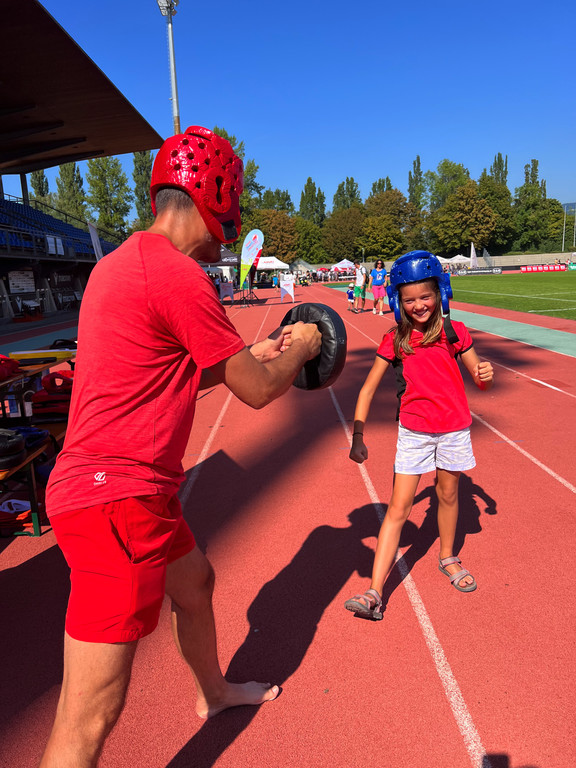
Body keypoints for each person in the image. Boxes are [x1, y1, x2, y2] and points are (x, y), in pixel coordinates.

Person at [40, 126, 322, 768]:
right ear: (214, 195)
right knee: (89, 718)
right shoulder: (179, 275)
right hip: (117, 500)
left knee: (195, 581)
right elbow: (257, 393)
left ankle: (213, 693)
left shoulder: (119, 264)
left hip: (128, 492)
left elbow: (160, 375)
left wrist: (255, 352)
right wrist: (302, 346)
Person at [344, 250, 494, 620]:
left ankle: (448, 557)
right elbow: (367, 390)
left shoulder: (455, 332)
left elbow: (479, 376)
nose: (418, 305)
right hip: (414, 433)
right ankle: (374, 591)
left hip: (453, 430)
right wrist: (358, 436)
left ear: (440, 293)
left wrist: (484, 376)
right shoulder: (395, 339)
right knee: (398, 507)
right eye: (409, 299)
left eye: (425, 296)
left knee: (447, 494)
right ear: (398, 301)